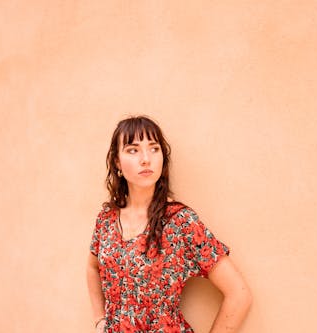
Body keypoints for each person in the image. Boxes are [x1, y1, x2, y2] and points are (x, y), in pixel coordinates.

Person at [86, 115, 252, 332]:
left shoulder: (180, 221)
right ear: (117, 161)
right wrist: (100, 319)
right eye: (133, 150)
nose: (146, 158)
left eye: (154, 148)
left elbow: (239, 294)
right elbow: (92, 266)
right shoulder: (106, 220)